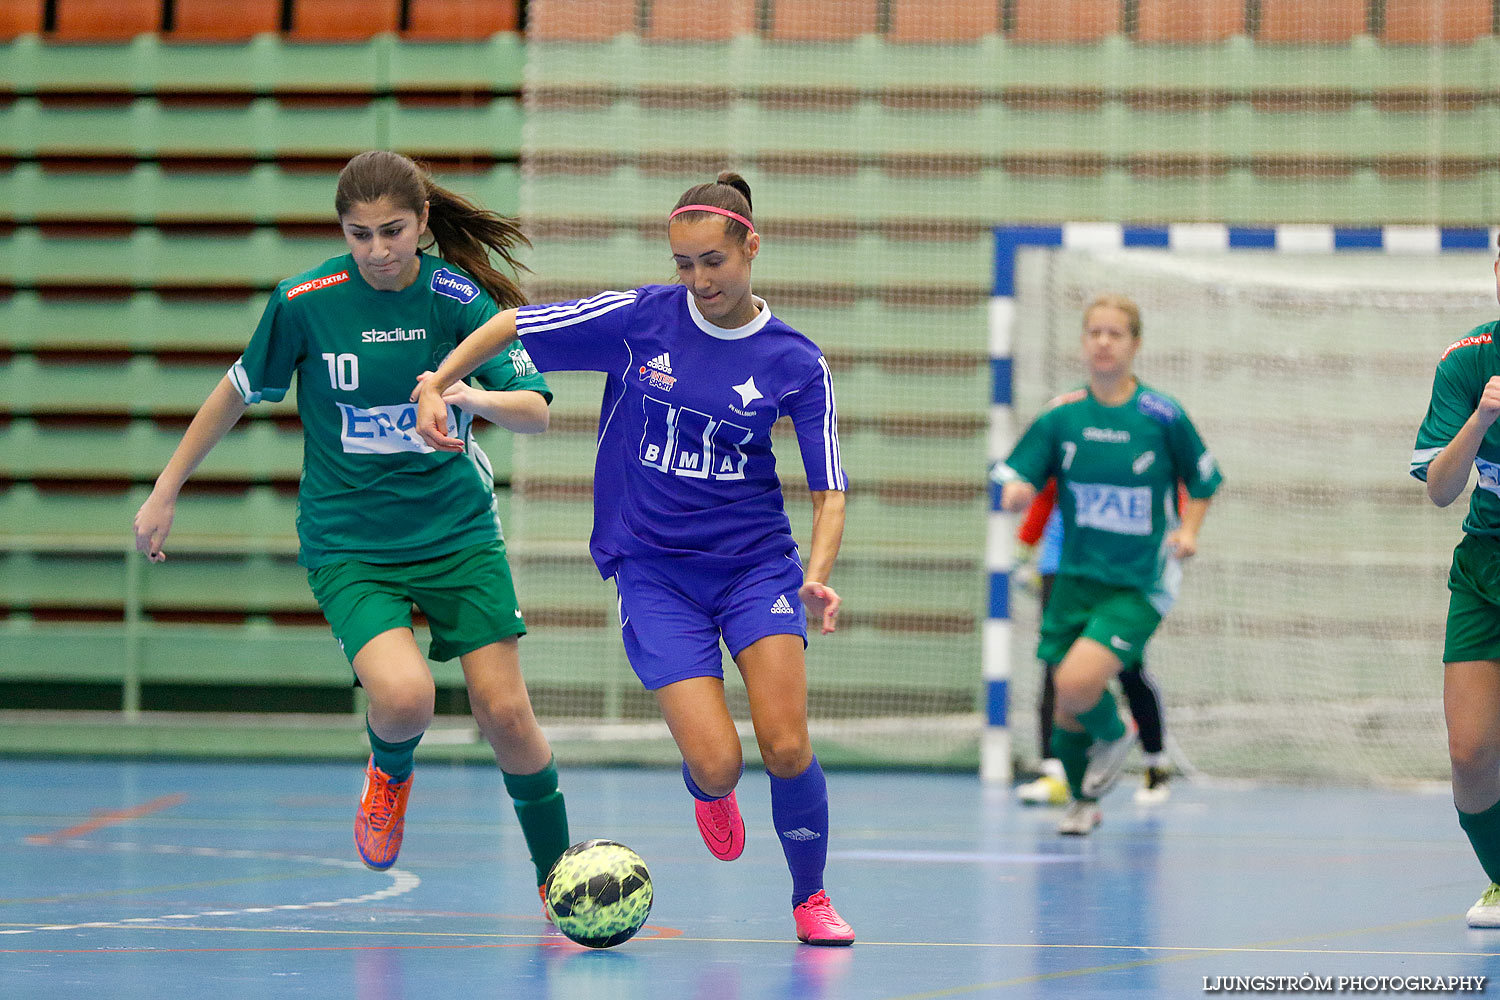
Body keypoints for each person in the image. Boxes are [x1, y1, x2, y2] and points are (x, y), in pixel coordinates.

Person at [410, 172, 856, 946]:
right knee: (719, 765)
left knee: (786, 744)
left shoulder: (797, 362)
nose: (698, 280)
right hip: (653, 572)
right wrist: (440, 382)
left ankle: (810, 899)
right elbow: (510, 324)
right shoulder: (638, 319)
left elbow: (830, 490)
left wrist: (816, 574)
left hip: (756, 568)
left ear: (752, 246)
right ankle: (710, 790)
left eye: (713, 261)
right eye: (683, 264)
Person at [132, 151, 571, 899]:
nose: (378, 250)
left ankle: (558, 879)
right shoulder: (305, 301)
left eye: (394, 231)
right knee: (404, 699)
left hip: (457, 534)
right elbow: (236, 391)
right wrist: (166, 487)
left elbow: (534, 411)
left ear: (423, 221)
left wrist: (468, 397)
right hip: (350, 542)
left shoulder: (456, 300)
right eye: (359, 234)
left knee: (505, 715)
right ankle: (387, 776)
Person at [994, 294, 1221, 835]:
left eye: (1115, 333)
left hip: (1139, 581)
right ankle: (1082, 803)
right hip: (1075, 577)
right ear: (1083, 342)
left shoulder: (1161, 415)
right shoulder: (1063, 415)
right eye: (1094, 332)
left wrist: (1188, 530)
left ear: (1135, 344)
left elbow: (1205, 479)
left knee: (1075, 683)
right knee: (1069, 709)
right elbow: (1018, 473)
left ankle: (1119, 735)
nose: (1103, 341)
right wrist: (1019, 493)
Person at [1410, 245, 1500, 927]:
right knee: (1471, 753)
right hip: (1485, 565)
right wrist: (1481, 419)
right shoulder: (1467, 360)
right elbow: (1440, 490)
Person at [1013, 490, 1173, 807]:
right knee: (1057, 669)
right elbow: (1045, 493)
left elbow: (1175, 488)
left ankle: (1154, 763)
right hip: (1060, 567)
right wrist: (1023, 550)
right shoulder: (1063, 443)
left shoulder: (1144, 449)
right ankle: (1057, 770)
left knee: (1129, 670)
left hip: (1117, 568)